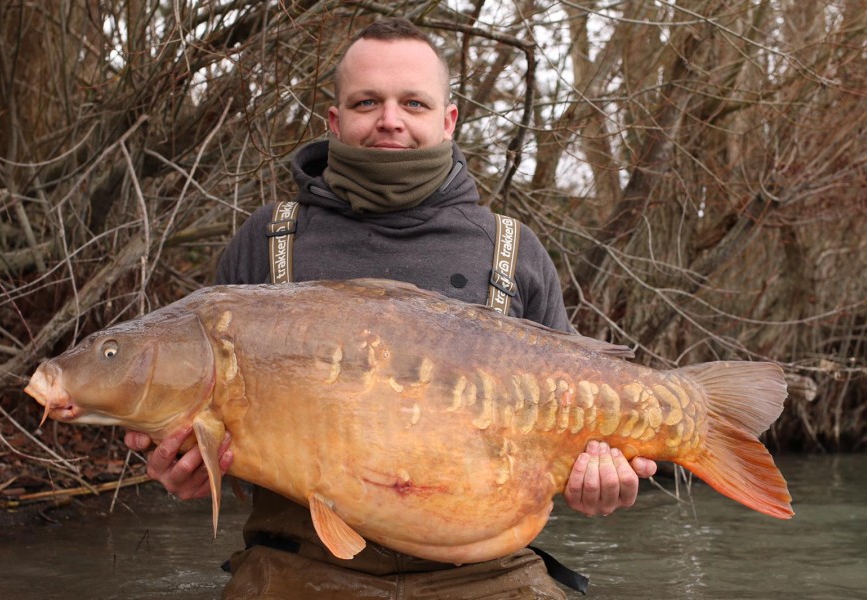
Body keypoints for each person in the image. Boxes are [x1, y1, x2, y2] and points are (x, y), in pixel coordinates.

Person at [125, 17, 657, 599]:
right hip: (298, 568)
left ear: (448, 119)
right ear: (335, 120)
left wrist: (599, 482)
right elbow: (207, 427)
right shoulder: (266, 241)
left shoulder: (513, 250)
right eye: (366, 101)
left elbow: (572, 423)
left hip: (486, 574)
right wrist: (187, 471)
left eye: (413, 102)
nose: (390, 119)